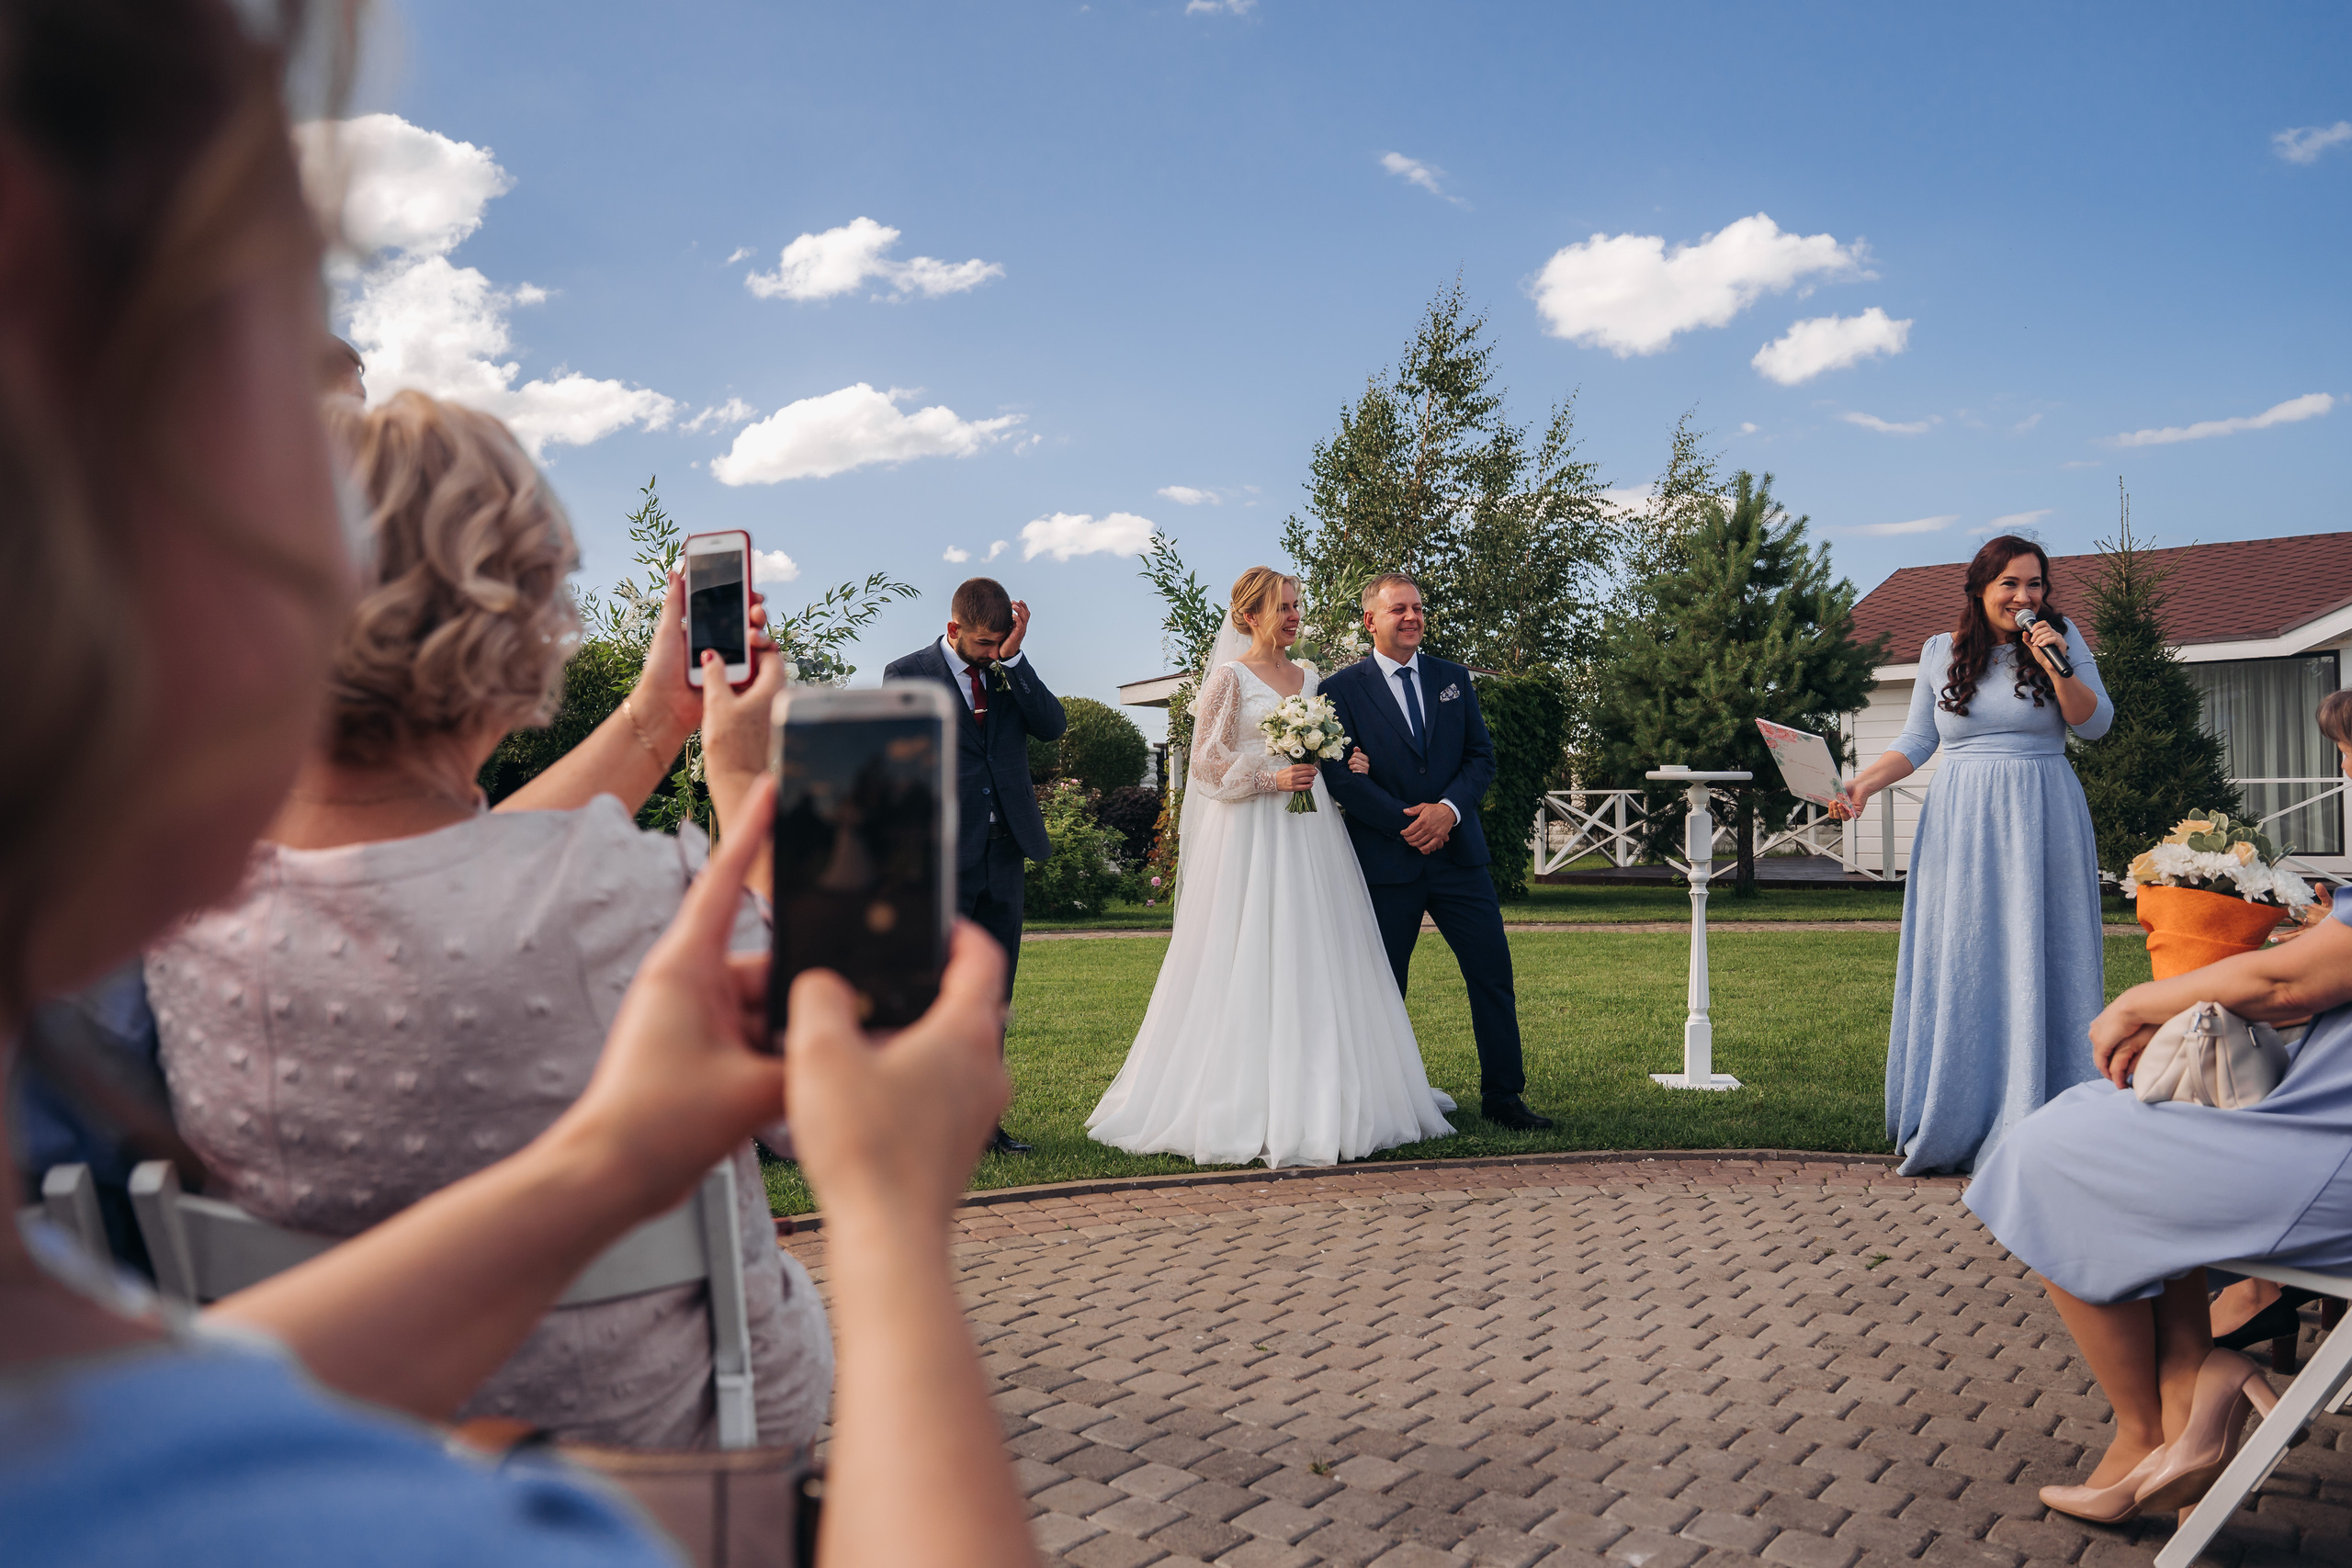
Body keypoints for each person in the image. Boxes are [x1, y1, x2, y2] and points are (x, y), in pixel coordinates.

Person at [0, 3, 1033, 1562]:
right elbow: (537, 903)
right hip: (692, 1448)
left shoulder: (170, 977)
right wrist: (890, 1224)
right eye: (271, 378)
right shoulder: (635, 895)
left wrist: (606, 1156)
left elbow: (397, 873)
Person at [143, 389, 830, 1451]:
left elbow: (429, 873)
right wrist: (739, 777)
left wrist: (654, 722)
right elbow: (824, 1088)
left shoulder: (172, 903)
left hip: (337, 1448)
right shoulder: (629, 891)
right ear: (520, 622)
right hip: (666, 1450)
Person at [1964, 696, 2352, 1523]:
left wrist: (2140, 1001)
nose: (2347, 769)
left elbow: (2287, 985)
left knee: (2050, 1153)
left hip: (2330, 1158)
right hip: (2324, 1132)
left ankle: (2148, 1429)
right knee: (2149, 1122)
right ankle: (2189, 1390)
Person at [1086, 570, 1456, 1167]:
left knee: (1317, 949)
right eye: (1282, 607)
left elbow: (1329, 747)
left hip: (1311, 832)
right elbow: (1206, 764)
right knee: (1251, 947)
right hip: (1251, 835)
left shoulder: (1309, 676)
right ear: (1248, 616)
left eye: (1295, 605)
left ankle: (1324, 1091)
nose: (1293, 616)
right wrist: (1270, 778)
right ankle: (1243, 1094)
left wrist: (1347, 757)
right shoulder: (1229, 679)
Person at [1835, 536, 2112, 1174]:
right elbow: (1917, 739)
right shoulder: (1941, 650)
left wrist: (2055, 666)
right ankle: (1960, 1108)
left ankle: (2047, 1111)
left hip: (2043, 813)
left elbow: (2095, 725)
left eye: (2034, 583)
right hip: (1960, 819)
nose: (2024, 596)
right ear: (1981, 589)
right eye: (2009, 583)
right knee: (1962, 951)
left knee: (2045, 948)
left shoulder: (2063, 639)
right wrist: (1863, 785)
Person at [1316, 574, 1555, 1132]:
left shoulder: (1453, 679)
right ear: (1370, 620)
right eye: (1398, 609)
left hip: (1459, 858)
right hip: (1386, 861)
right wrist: (1411, 824)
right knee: (1384, 986)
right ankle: (1382, 1100)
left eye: (1418, 608)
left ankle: (1504, 1097)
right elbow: (1340, 775)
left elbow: (1480, 757)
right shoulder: (1338, 690)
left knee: (1492, 975)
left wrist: (1447, 811)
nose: (1412, 617)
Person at [884, 577, 1066, 1156]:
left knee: (993, 993)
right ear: (953, 629)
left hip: (1004, 854)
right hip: (940, 861)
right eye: (984, 644)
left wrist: (1015, 660)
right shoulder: (906, 674)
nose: (991, 653)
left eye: (1000, 642)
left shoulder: (1007, 670)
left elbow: (1052, 727)